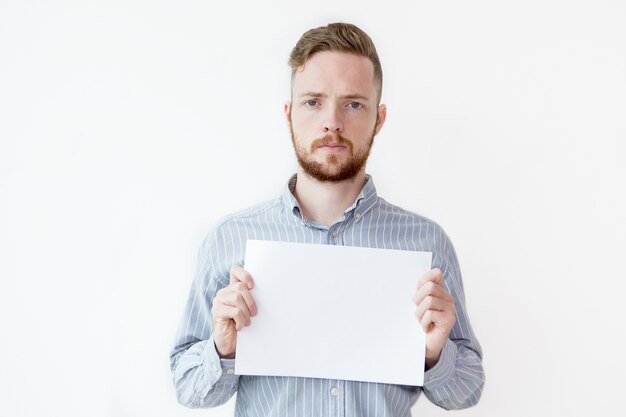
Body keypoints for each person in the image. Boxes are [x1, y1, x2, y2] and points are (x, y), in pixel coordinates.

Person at [170, 22, 484, 415]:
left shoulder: (427, 244)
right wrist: (223, 348)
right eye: (313, 102)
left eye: (353, 103)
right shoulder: (230, 239)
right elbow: (187, 386)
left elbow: (467, 390)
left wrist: (434, 354)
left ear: (379, 118)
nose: (331, 121)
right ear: (288, 114)